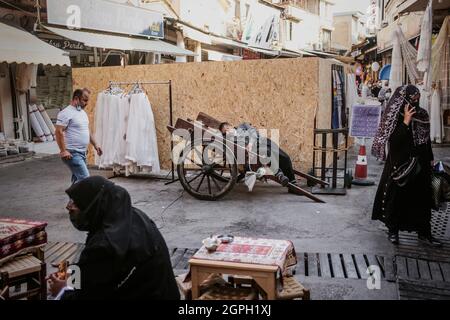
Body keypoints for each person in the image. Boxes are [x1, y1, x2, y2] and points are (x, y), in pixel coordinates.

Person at [47, 176, 180, 300]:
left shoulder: (104, 245)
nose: (69, 207)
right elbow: (94, 273)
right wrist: (73, 271)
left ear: (94, 206)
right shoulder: (132, 216)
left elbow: (90, 293)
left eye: (76, 203)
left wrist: (62, 290)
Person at [371, 85, 442, 247]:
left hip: (420, 163)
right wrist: (405, 122)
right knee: (396, 198)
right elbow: (394, 142)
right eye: (412, 99)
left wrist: (430, 158)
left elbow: (426, 140)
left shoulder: (422, 114)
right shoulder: (394, 115)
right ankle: (393, 231)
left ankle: (424, 233)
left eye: (417, 100)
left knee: (422, 199)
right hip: (399, 164)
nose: (415, 103)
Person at [218, 122, 296, 187]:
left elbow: (253, 132)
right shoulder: (230, 140)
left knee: (284, 157)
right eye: (225, 133)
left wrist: (250, 143)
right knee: (266, 152)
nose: (227, 132)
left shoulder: (243, 126)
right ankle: (280, 175)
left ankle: (292, 181)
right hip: (256, 151)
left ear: (231, 126)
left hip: (263, 142)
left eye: (227, 129)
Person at [55, 89, 103, 184]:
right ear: (76, 99)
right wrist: (63, 151)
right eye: (84, 100)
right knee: (85, 179)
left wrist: (96, 145)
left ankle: (73, 199)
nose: (87, 103)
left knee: (77, 180)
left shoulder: (82, 113)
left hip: (82, 153)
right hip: (72, 153)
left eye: (87, 100)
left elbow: (87, 131)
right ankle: (86, 199)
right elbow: (58, 131)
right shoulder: (66, 113)